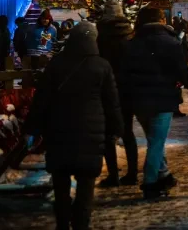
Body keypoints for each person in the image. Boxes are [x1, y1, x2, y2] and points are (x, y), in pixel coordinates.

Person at [25, 22, 122, 230]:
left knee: (60, 186)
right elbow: (111, 102)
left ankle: (62, 222)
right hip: (91, 133)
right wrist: (116, 128)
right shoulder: (102, 66)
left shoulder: (56, 64)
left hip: (59, 130)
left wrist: (32, 127)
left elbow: (41, 99)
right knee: (86, 188)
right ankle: (81, 224)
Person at [122, 7, 188, 199]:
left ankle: (164, 174)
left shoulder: (132, 44)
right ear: (162, 20)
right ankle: (150, 182)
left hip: (138, 100)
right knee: (156, 142)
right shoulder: (170, 42)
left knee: (154, 139)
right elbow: (181, 68)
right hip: (163, 98)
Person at [96, 1, 137, 188]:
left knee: (107, 134)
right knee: (127, 131)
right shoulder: (130, 36)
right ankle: (133, 173)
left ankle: (113, 175)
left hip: (106, 88)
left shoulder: (101, 35)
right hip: (128, 88)